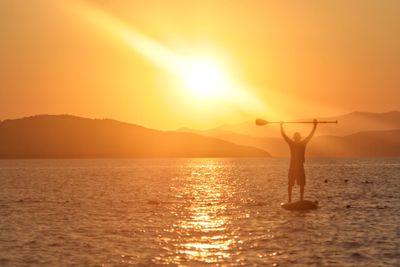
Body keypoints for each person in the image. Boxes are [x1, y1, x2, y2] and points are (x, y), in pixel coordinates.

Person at [280, 120, 318, 203]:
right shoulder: (293, 143)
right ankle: (290, 199)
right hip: (293, 167)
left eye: (297, 137)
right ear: (295, 138)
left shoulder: (301, 143)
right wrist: (281, 126)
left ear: (298, 138)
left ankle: (301, 199)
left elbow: (310, 136)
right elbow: (284, 136)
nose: (297, 139)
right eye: (296, 137)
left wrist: (314, 126)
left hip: (299, 167)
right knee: (290, 184)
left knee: (302, 184)